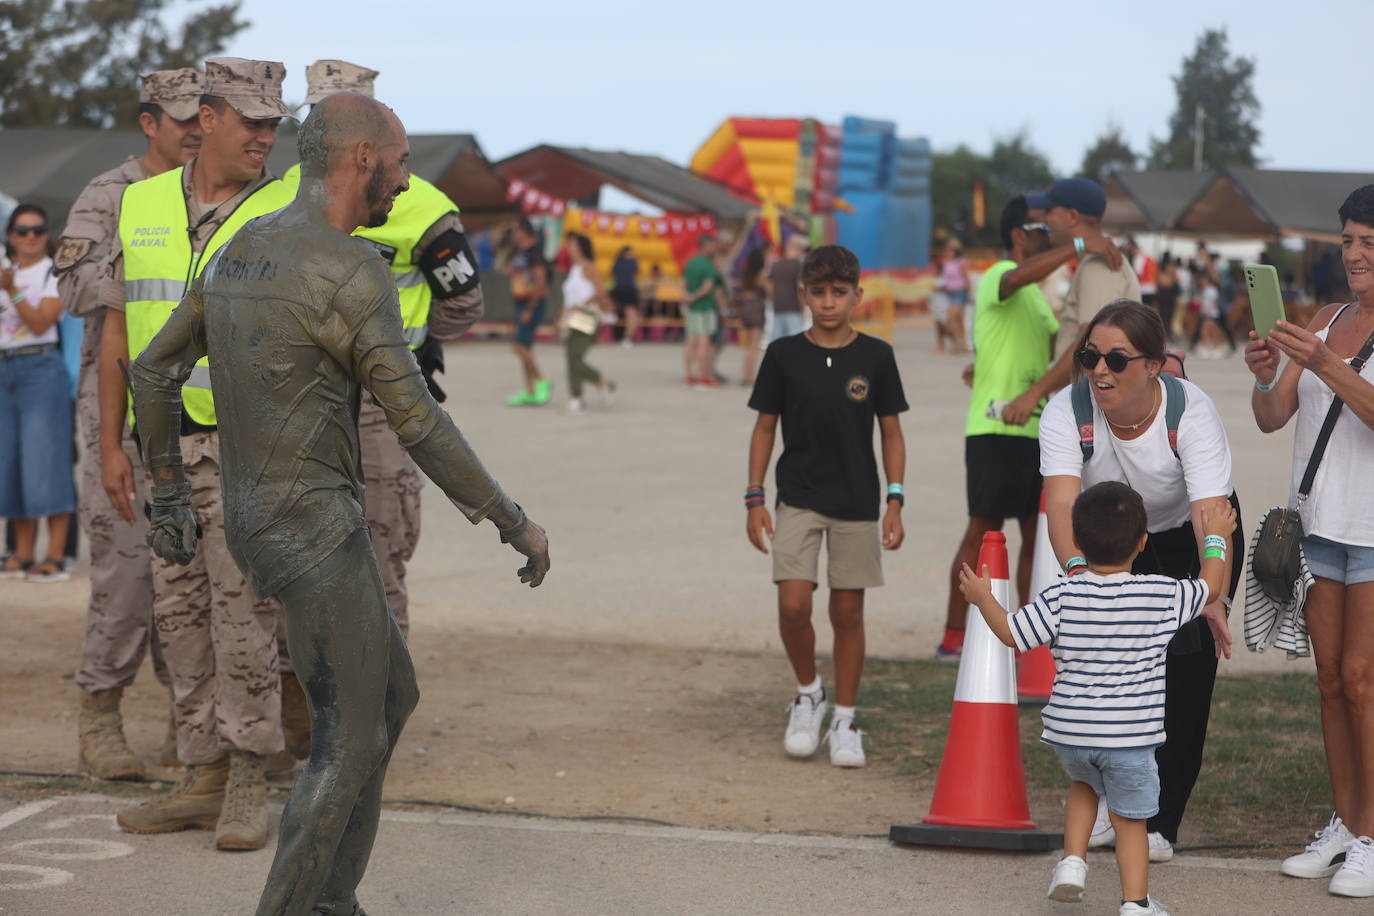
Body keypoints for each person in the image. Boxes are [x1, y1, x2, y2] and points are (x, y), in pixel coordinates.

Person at [129, 91, 549, 916]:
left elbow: (152, 372)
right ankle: (298, 909)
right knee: (347, 737)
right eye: (396, 166)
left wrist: (171, 493)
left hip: (262, 520)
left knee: (393, 698)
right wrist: (510, 518)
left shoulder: (242, 244)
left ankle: (332, 901)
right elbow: (418, 420)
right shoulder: (351, 269)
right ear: (361, 160)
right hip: (311, 525)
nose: (402, 184)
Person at [103, 57, 296, 851]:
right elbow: (116, 326)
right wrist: (114, 443)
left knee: (245, 615)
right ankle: (202, 772)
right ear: (205, 117)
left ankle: (251, 771)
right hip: (162, 451)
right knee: (178, 615)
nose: (263, 135)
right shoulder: (141, 201)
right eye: (249, 119)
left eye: (272, 123)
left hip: (248, 445)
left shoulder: (289, 206)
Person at [960, 481, 1234, 916]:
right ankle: (1135, 903)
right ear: (1143, 543)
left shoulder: (1061, 595)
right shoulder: (1160, 595)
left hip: (1072, 733)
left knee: (1085, 785)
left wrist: (982, 598)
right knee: (1130, 820)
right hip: (1129, 738)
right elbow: (1211, 586)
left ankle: (1072, 863)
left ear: (1079, 541)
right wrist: (1217, 534)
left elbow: (1012, 633)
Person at [1039, 300, 1243, 863]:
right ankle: (1113, 800)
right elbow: (1060, 505)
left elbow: (1210, 512)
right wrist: (1080, 579)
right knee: (1111, 665)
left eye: (1116, 359)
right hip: (1112, 538)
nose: (1099, 370)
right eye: (1089, 357)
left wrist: (1213, 594)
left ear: (1153, 365)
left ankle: (1160, 822)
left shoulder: (1191, 412)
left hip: (1193, 535)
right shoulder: (1065, 412)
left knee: (1185, 669)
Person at [53, 68, 203, 779]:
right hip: (117, 400)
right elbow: (75, 287)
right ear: (149, 122)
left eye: (206, 117)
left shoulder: (219, 195)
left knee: (197, 567)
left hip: (197, 409)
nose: (197, 131)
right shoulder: (110, 195)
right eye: (182, 120)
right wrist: (139, 249)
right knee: (124, 568)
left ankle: (191, 721)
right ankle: (101, 714)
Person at [1246, 185, 1374, 898]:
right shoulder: (1325, 319)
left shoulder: (1329, 343)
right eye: (1349, 240)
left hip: (1373, 529)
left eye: (1368, 243)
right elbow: (1272, 418)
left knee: (1363, 682)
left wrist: (1326, 365)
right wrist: (1268, 376)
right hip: (1317, 523)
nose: (1354, 254)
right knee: (1329, 683)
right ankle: (1347, 828)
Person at [745, 244, 907, 768]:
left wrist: (895, 500)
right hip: (797, 498)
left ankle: (845, 718)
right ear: (804, 295)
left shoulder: (877, 357)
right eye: (819, 293)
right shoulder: (783, 354)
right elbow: (764, 427)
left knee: (847, 611)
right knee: (793, 603)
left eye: (840, 292)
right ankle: (808, 694)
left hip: (858, 503)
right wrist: (754, 497)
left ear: (858, 295)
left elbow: (891, 432)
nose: (830, 302)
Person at [938, 196, 1060, 660]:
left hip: (1033, 430)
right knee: (982, 530)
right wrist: (1077, 249)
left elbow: (1041, 344)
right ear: (1019, 235)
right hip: (991, 428)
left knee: (1034, 534)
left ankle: (1019, 635)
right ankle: (952, 634)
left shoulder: (1039, 298)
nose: (1048, 234)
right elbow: (1016, 280)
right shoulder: (998, 275)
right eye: (1040, 228)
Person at [0, 204, 74, 584]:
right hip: (5, 367)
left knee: (46, 462)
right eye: (23, 230)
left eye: (38, 230)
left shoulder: (52, 270)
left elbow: (43, 320)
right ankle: (22, 554)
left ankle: (56, 556)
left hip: (40, 368)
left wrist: (12, 290)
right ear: (10, 235)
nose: (31, 236)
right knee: (11, 463)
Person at [1023, 178, 1139, 399]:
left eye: (1049, 211)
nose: (1044, 219)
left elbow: (1092, 346)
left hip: (1092, 409)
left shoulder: (1099, 267)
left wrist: (1035, 394)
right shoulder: (1090, 262)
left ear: (1073, 216)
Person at [558, 232, 615, 413]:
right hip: (573, 316)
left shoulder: (588, 266)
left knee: (573, 356)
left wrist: (581, 305)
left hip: (585, 315)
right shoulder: (574, 269)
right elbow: (569, 299)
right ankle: (583, 393)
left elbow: (600, 290)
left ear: (581, 247)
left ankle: (592, 388)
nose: (570, 248)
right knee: (572, 356)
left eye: (573, 245)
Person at [504, 218, 551, 406]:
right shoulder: (519, 252)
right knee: (525, 347)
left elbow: (541, 281)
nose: (513, 235)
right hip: (520, 301)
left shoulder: (534, 251)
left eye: (516, 231)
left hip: (531, 303)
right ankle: (529, 390)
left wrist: (531, 309)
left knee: (519, 347)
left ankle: (541, 381)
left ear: (524, 231)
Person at [682, 234, 725, 387]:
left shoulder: (690, 262)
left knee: (691, 341)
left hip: (692, 309)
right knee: (704, 342)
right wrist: (694, 297)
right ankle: (703, 376)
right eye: (712, 245)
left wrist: (687, 298)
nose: (714, 247)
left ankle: (689, 375)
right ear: (705, 246)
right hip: (705, 307)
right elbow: (708, 286)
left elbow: (684, 283)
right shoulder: (708, 265)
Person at [764, 233, 808, 343]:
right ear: (798, 249)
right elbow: (800, 288)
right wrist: (803, 308)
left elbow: (769, 287)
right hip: (793, 309)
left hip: (778, 308)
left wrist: (774, 300)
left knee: (777, 345)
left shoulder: (776, 264)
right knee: (796, 345)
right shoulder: (798, 265)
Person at [734, 246, 767, 385]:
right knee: (754, 346)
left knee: (748, 347)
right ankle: (750, 376)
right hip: (756, 310)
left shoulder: (744, 273)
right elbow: (768, 290)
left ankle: (745, 375)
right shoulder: (760, 275)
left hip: (745, 310)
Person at [935, 239, 971, 353]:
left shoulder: (961, 262)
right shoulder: (947, 262)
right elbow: (947, 279)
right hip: (949, 292)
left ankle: (960, 344)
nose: (947, 252)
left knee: (954, 318)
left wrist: (970, 293)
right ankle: (960, 344)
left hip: (960, 292)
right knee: (957, 321)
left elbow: (966, 277)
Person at [610, 244, 641, 347]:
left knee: (609, 312)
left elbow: (614, 276)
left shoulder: (617, 262)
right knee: (632, 317)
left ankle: (610, 315)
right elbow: (635, 275)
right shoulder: (633, 262)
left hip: (618, 290)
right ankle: (627, 339)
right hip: (629, 290)